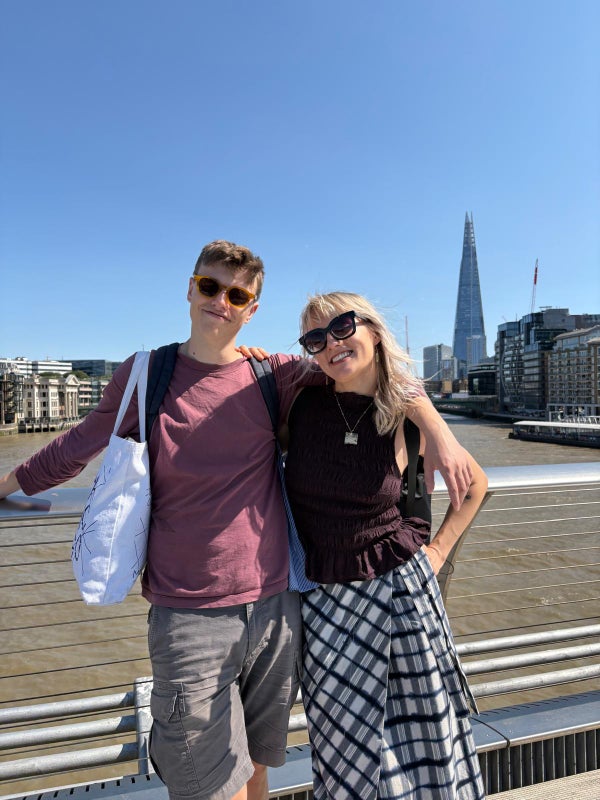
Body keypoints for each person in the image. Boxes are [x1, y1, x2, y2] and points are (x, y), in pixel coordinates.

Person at [0, 243, 476, 800]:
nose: (220, 302)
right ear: (190, 288)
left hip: (278, 607)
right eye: (210, 287)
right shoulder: (147, 375)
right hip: (189, 612)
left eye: (237, 294)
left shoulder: (273, 375)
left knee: (255, 771)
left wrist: (438, 431)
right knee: (206, 785)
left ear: (252, 309)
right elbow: (77, 446)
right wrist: (6, 486)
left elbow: (377, 370)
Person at [282, 292, 488, 800]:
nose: (331, 343)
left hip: (400, 596)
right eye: (315, 338)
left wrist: (437, 553)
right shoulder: (302, 403)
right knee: (341, 747)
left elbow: (475, 485)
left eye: (342, 327)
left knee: (423, 738)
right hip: (324, 604)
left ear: (372, 330)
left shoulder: (404, 414)